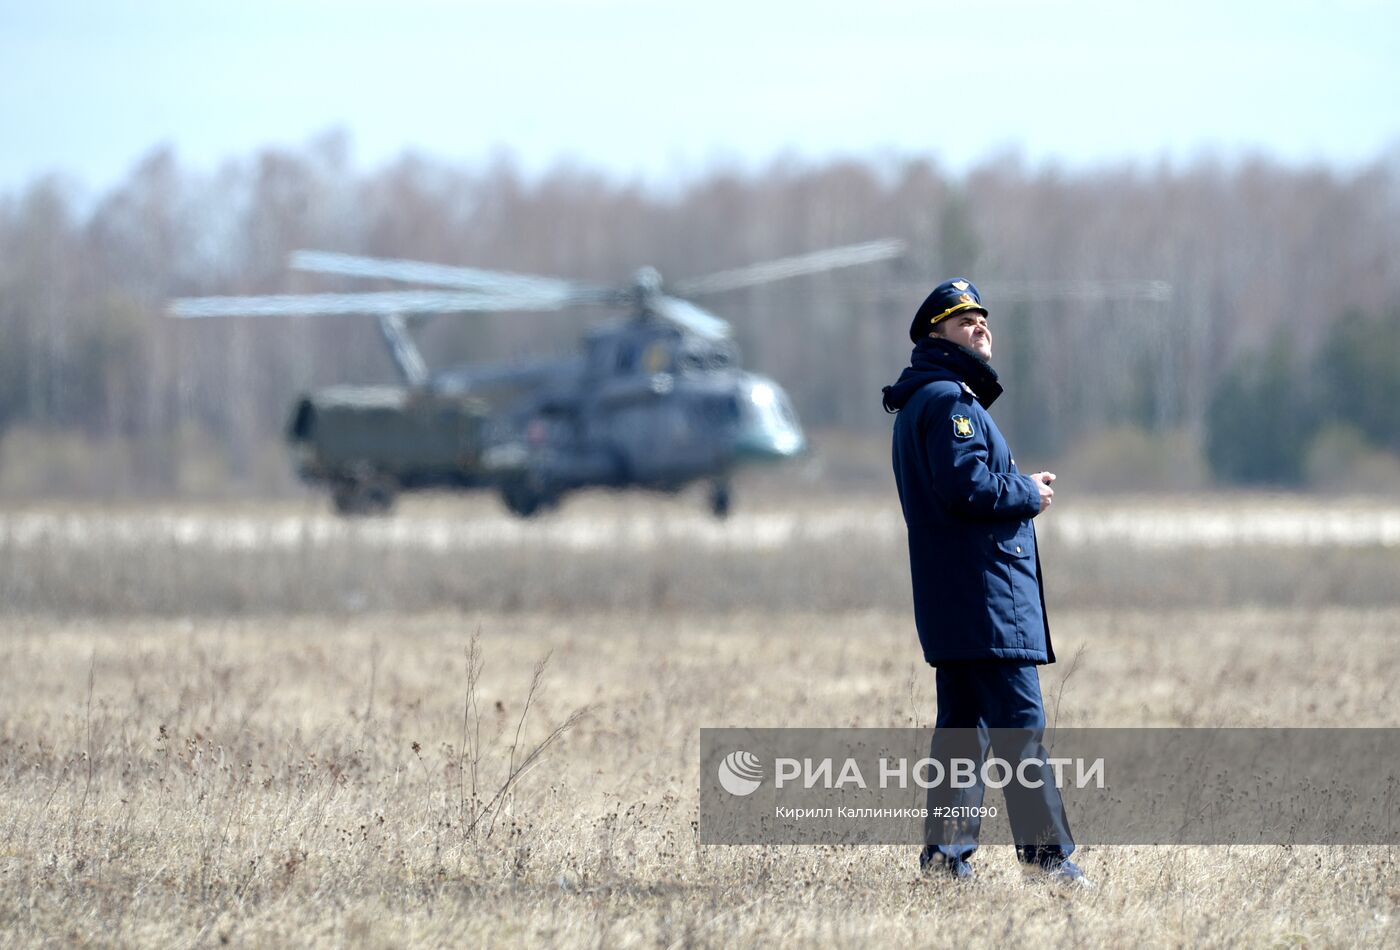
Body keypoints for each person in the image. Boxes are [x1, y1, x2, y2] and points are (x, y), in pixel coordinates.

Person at [881, 278, 1090, 887]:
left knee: (961, 742)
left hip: (958, 608)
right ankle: (1050, 863)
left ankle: (944, 863)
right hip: (987, 606)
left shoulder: (927, 400)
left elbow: (959, 487)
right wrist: (1030, 491)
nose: (979, 326)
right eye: (962, 319)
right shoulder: (950, 402)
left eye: (982, 318)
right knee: (1020, 733)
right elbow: (968, 488)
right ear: (934, 336)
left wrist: (1016, 483)